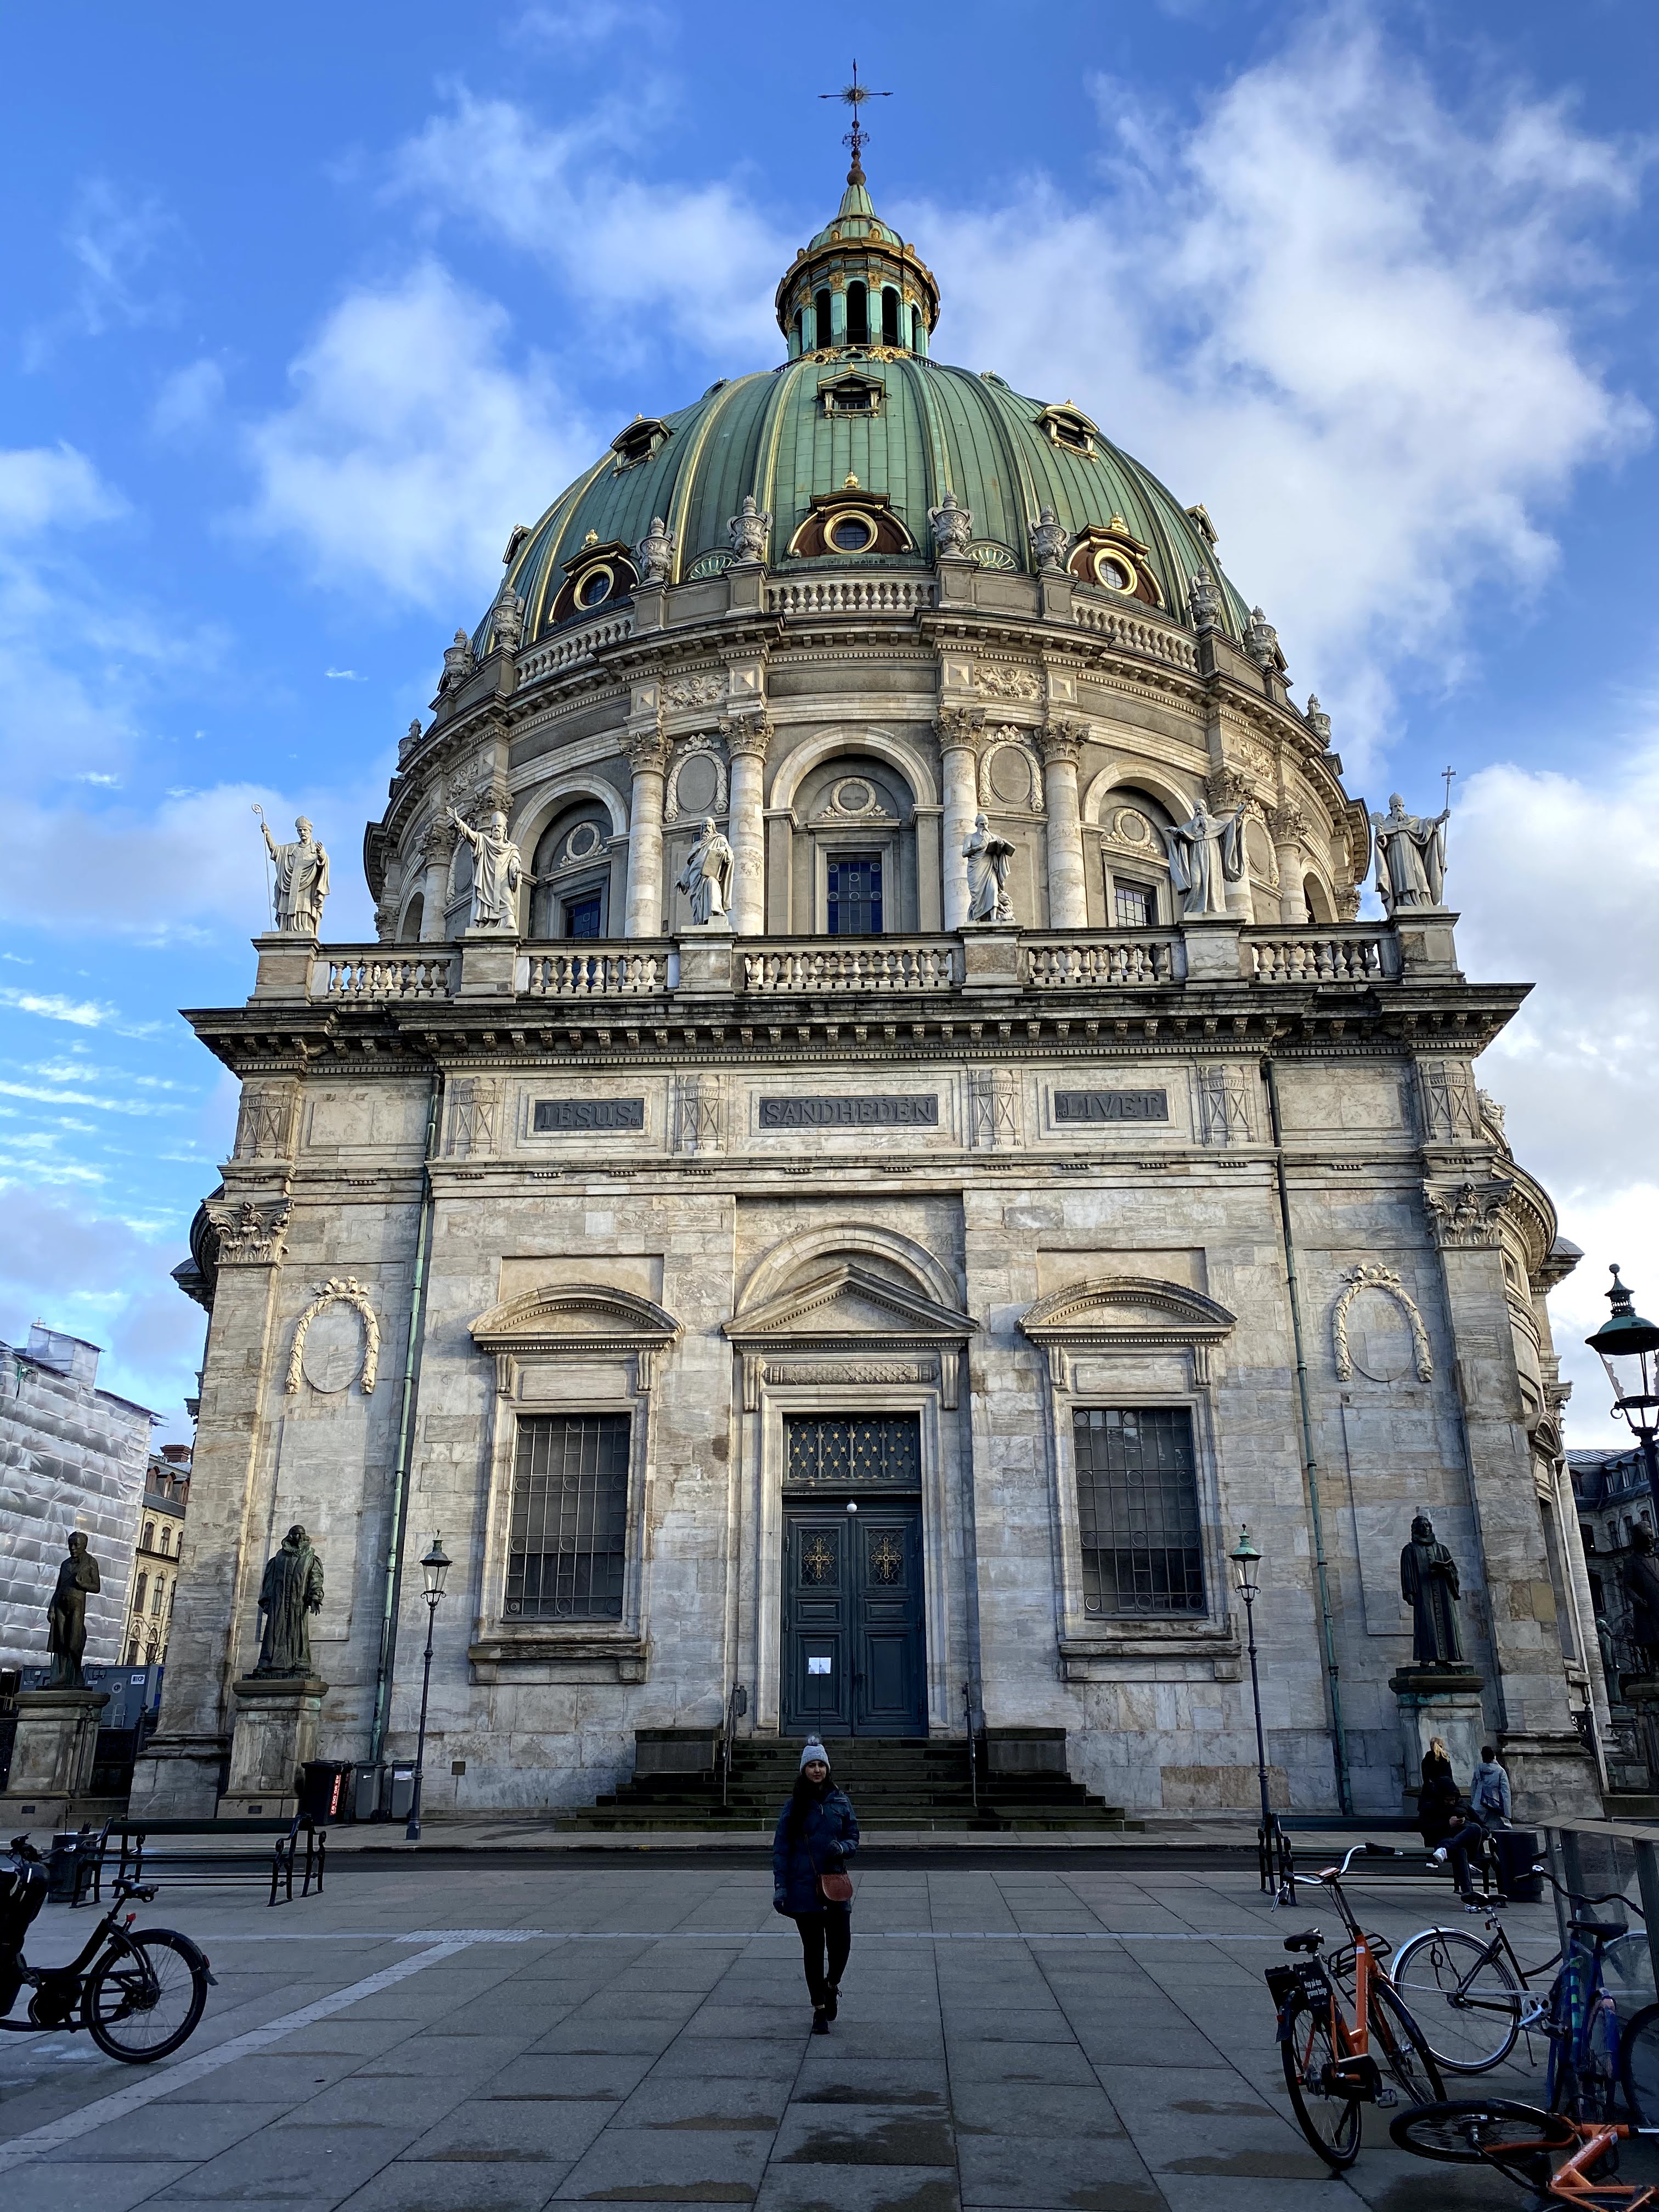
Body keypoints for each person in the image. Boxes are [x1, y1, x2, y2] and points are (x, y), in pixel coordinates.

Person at [772, 1736, 859, 2035]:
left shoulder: (840, 1802)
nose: (817, 1770)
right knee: (813, 1950)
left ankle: (832, 1985)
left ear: (828, 1768)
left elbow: (853, 1836)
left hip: (835, 1885)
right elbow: (781, 1849)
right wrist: (781, 1886)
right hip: (803, 1887)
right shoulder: (794, 1806)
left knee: (841, 1947)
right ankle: (819, 2009)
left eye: (821, 1764)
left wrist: (843, 1848)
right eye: (812, 1765)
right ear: (804, 1770)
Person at [1430, 1745, 1512, 1908]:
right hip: (1452, 1840)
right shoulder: (1499, 1771)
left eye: (1453, 1799)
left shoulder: (1477, 1775)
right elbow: (1505, 1792)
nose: (1451, 1802)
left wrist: (1475, 1809)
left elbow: (1483, 1826)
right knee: (1461, 1849)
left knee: (1474, 1828)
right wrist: (1448, 1824)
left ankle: (1446, 1849)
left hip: (1471, 1837)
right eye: (1448, 1800)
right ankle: (1470, 1898)